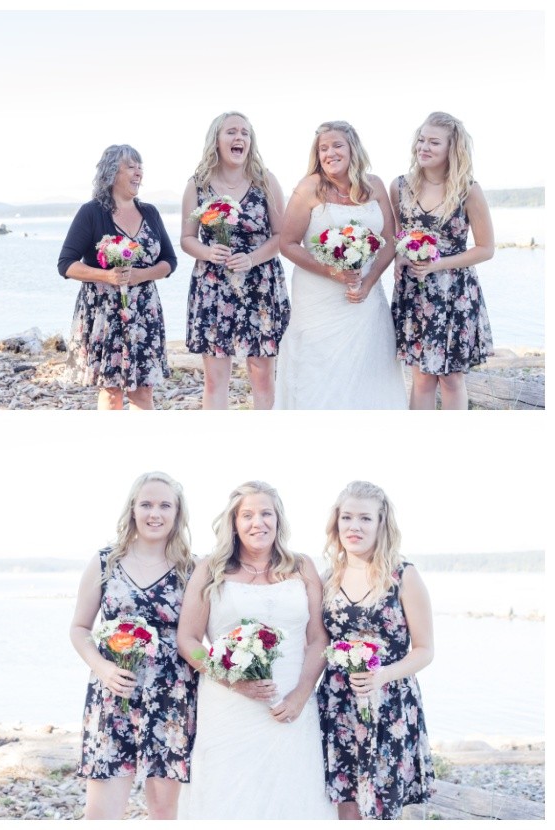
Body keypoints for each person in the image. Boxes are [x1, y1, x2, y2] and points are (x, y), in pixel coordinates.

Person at [176, 481, 335, 819]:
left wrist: (301, 694)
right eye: (247, 515)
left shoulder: (302, 566)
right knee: (228, 797)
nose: (257, 522)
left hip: (291, 706)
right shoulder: (211, 569)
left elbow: (319, 639)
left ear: (279, 520)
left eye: (266, 513)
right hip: (228, 704)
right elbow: (188, 640)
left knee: (292, 795)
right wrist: (232, 681)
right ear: (233, 523)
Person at [69, 472, 197, 819]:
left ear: (177, 513)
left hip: (172, 697)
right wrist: (103, 668)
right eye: (146, 504)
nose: (155, 513)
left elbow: (200, 637)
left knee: (163, 811)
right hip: (113, 696)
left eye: (164, 505)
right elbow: (80, 629)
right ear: (133, 509)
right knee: (100, 814)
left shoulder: (193, 569)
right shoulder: (105, 562)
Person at [317, 481, 434, 819]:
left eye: (365, 519)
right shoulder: (328, 578)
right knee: (345, 805)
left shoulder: (403, 576)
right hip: (338, 702)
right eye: (347, 518)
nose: (354, 527)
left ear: (382, 524)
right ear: (336, 523)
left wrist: (384, 675)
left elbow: (425, 649)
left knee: (383, 809)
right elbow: (317, 643)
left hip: (390, 703)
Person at [275, 121, 406, 409]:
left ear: (352, 149)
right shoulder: (309, 187)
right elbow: (287, 243)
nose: (329, 153)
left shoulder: (375, 185)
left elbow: (388, 239)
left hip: (366, 298)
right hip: (318, 296)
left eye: (337, 145)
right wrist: (332, 272)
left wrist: (368, 284)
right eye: (323, 148)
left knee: (367, 371)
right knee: (318, 370)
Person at [181, 112, 289, 409]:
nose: (239, 137)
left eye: (245, 132)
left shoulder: (265, 180)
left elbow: (282, 236)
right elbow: (187, 238)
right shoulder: (197, 184)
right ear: (216, 140)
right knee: (216, 380)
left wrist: (252, 258)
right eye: (231, 132)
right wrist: (207, 252)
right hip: (213, 287)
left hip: (260, 284)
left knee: (263, 376)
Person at [57, 145, 177, 410]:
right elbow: (66, 265)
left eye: (140, 167)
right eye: (131, 166)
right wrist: (107, 276)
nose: (139, 172)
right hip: (105, 313)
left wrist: (142, 275)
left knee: (144, 391)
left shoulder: (151, 213)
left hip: (145, 313)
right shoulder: (91, 212)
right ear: (112, 173)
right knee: (111, 391)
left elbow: (170, 261)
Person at [391, 112, 494, 409]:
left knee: (451, 378)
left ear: (452, 149)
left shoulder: (468, 190)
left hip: (455, 292)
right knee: (421, 376)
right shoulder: (399, 186)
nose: (423, 147)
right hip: (415, 291)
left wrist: (438, 264)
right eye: (421, 140)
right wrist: (400, 255)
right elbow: (400, 235)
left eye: (434, 142)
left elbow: (486, 248)